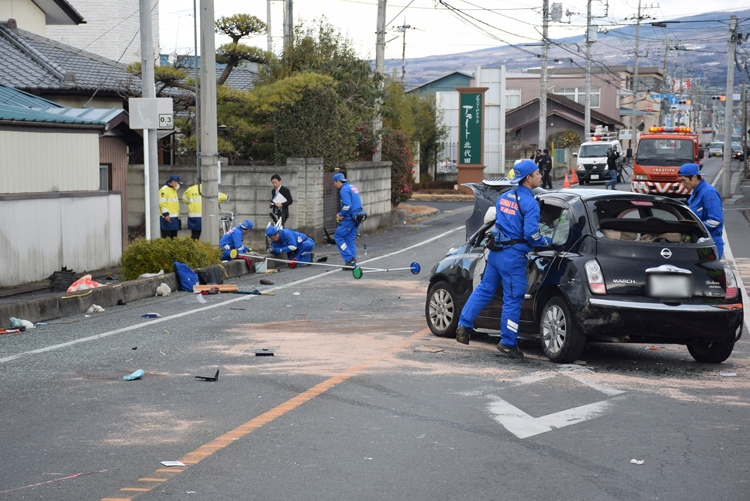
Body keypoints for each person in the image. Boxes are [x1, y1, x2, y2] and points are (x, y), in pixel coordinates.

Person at [455, 160, 552, 358]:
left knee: (484, 289)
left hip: (496, 252)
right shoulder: (530, 203)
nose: (540, 175)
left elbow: (500, 223)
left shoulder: (504, 197)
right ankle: (508, 342)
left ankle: (464, 325)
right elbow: (531, 234)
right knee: (513, 299)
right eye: (537, 173)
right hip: (514, 257)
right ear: (528, 178)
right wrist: (547, 241)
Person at [679, 163, 724, 258]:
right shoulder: (695, 193)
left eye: (684, 180)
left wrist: (697, 229)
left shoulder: (708, 193)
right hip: (699, 242)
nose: (682, 184)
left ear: (694, 177)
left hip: (710, 243)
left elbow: (715, 220)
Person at [333, 172, 365, 267]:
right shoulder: (352, 187)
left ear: (338, 181)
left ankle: (349, 258)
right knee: (350, 239)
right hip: (358, 216)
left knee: (338, 237)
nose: (334, 185)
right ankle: (351, 264)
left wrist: (340, 214)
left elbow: (347, 205)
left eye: (334, 182)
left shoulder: (344, 189)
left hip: (349, 218)